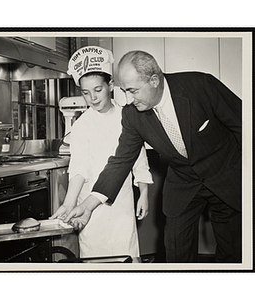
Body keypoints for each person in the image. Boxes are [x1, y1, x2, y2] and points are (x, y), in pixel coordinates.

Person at [65, 50, 242, 263]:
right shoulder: (132, 115)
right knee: (176, 249)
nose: (128, 100)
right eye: (124, 91)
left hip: (224, 174)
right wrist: (87, 205)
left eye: (133, 91)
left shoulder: (200, 86)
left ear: (155, 80)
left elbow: (245, 125)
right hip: (184, 184)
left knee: (233, 248)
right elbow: (121, 161)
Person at [50, 46, 153, 258]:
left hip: (122, 203)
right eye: (86, 93)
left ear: (111, 86)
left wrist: (143, 193)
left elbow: (139, 161)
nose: (93, 98)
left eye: (98, 90)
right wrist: (69, 203)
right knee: (95, 261)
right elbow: (78, 168)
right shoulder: (81, 125)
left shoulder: (128, 117)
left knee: (126, 259)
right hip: (89, 205)